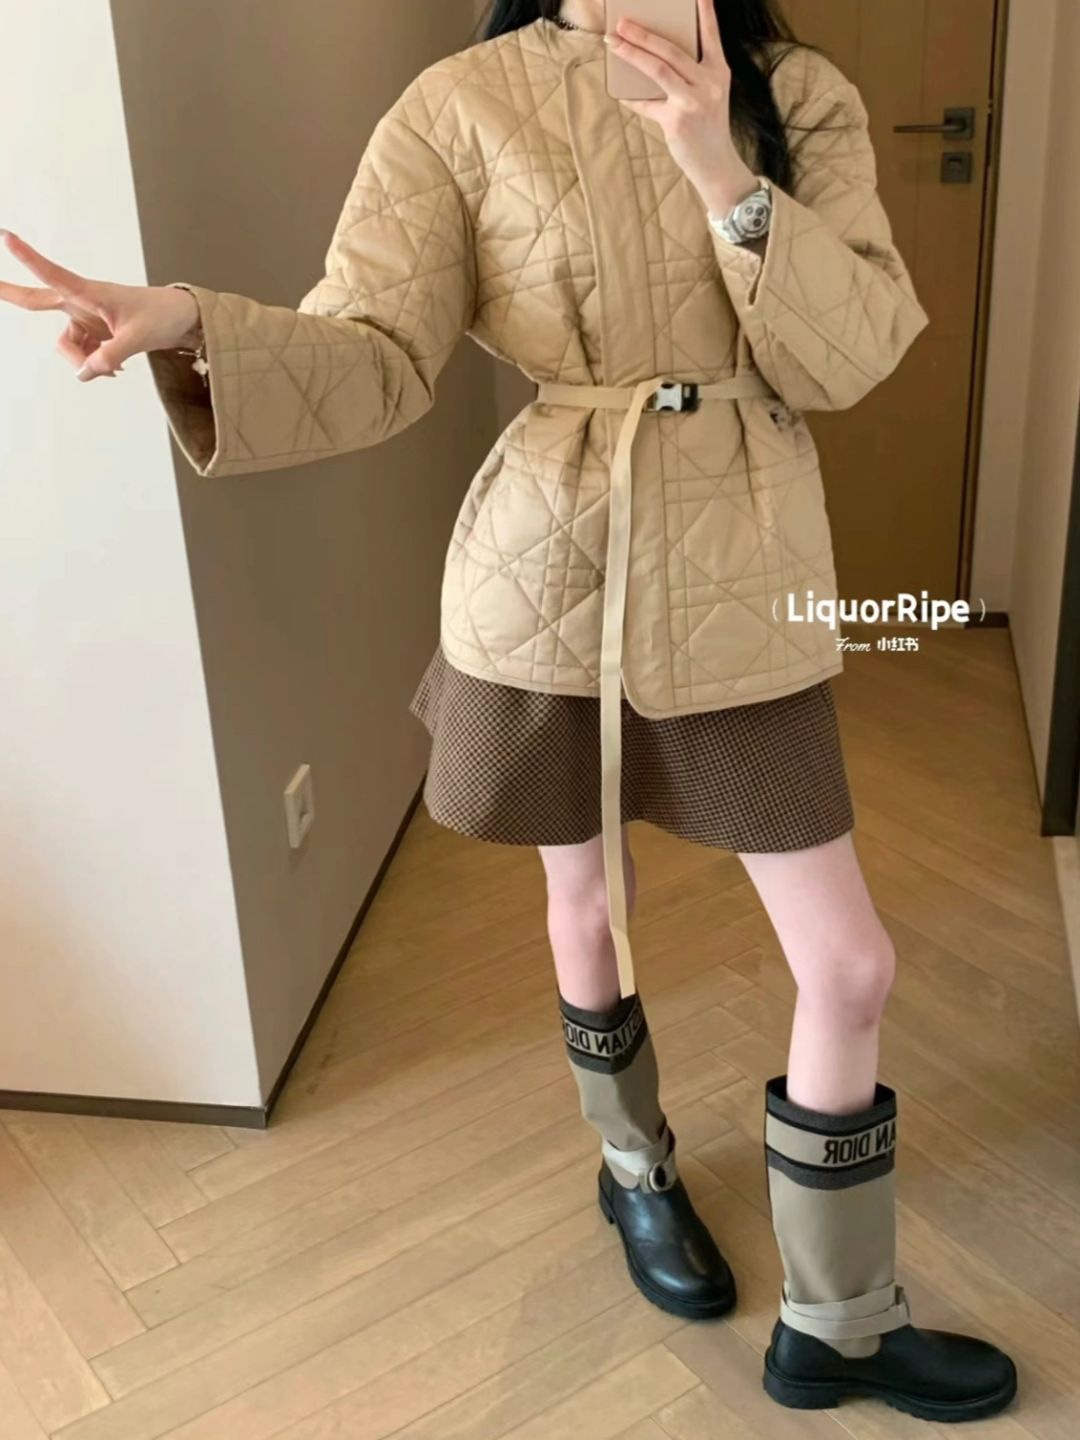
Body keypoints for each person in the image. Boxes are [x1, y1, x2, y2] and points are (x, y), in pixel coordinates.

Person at [0, 0, 1017, 1419]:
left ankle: (838, 1324)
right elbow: (378, 350)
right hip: (548, 565)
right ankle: (635, 1171)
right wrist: (188, 321)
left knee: (847, 964)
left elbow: (846, 359)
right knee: (587, 907)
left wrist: (717, 160)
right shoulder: (460, 104)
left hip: (744, 567)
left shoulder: (799, 93)